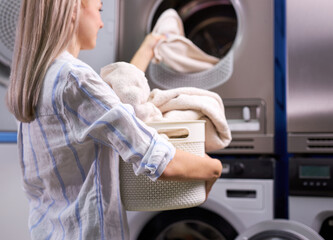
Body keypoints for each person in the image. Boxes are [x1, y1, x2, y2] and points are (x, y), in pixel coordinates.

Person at [6, 0, 223, 239]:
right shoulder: (75, 80)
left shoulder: (37, 82)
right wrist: (213, 168)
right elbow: (157, 159)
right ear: (73, 9)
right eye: (99, 10)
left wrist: (151, 44)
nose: (101, 23)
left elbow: (115, 106)